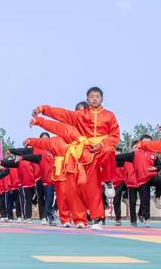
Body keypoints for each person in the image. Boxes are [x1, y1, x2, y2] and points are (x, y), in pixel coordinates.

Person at [32, 87, 120, 229]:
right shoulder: (80, 116)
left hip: (102, 149)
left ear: (102, 99)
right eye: (92, 96)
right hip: (86, 154)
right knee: (91, 188)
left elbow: (115, 136)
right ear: (87, 99)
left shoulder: (110, 116)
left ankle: (108, 180)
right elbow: (62, 115)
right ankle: (95, 219)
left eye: (97, 96)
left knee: (110, 150)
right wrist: (43, 109)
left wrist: (102, 144)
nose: (95, 99)